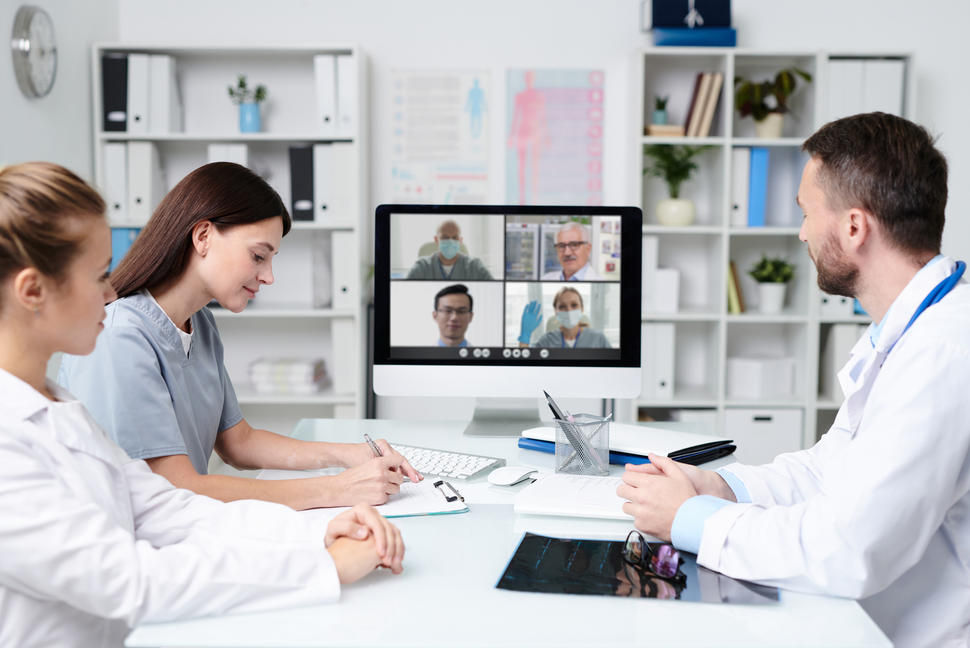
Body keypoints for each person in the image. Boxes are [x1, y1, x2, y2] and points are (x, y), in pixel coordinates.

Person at [0, 162, 406, 647]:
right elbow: (134, 581)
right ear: (32, 292)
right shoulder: (11, 443)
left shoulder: (60, 407)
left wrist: (316, 531)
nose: (111, 292)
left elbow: (167, 508)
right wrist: (323, 564)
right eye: (97, 276)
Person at [616, 113, 970, 648]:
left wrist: (690, 519)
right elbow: (829, 471)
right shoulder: (909, 329)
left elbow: (849, 550)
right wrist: (719, 487)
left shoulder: (944, 353)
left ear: (854, 227)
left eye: (807, 212)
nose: (802, 231)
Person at [58, 162, 420, 511]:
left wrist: (347, 453)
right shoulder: (120, 335)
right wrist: (337, 488)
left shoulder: (200, 323)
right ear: (203, 236)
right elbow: (175, 487)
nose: (268, 277)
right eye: (258, 256)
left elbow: (238, 441)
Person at [517, 286, 610, 348]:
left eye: (574, 305)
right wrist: (525, 336)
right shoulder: (547, 341)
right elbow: (525, 365)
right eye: (562, 306)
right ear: (556, 312)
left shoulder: (598, 339)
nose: (569, 310)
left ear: (582, 309)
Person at [406, 219, 492, 280]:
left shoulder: (475, 266)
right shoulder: (422, 267)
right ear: (436, 240)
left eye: (455, 238)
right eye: (445, 237)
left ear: (460, 241)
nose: (450, 241)